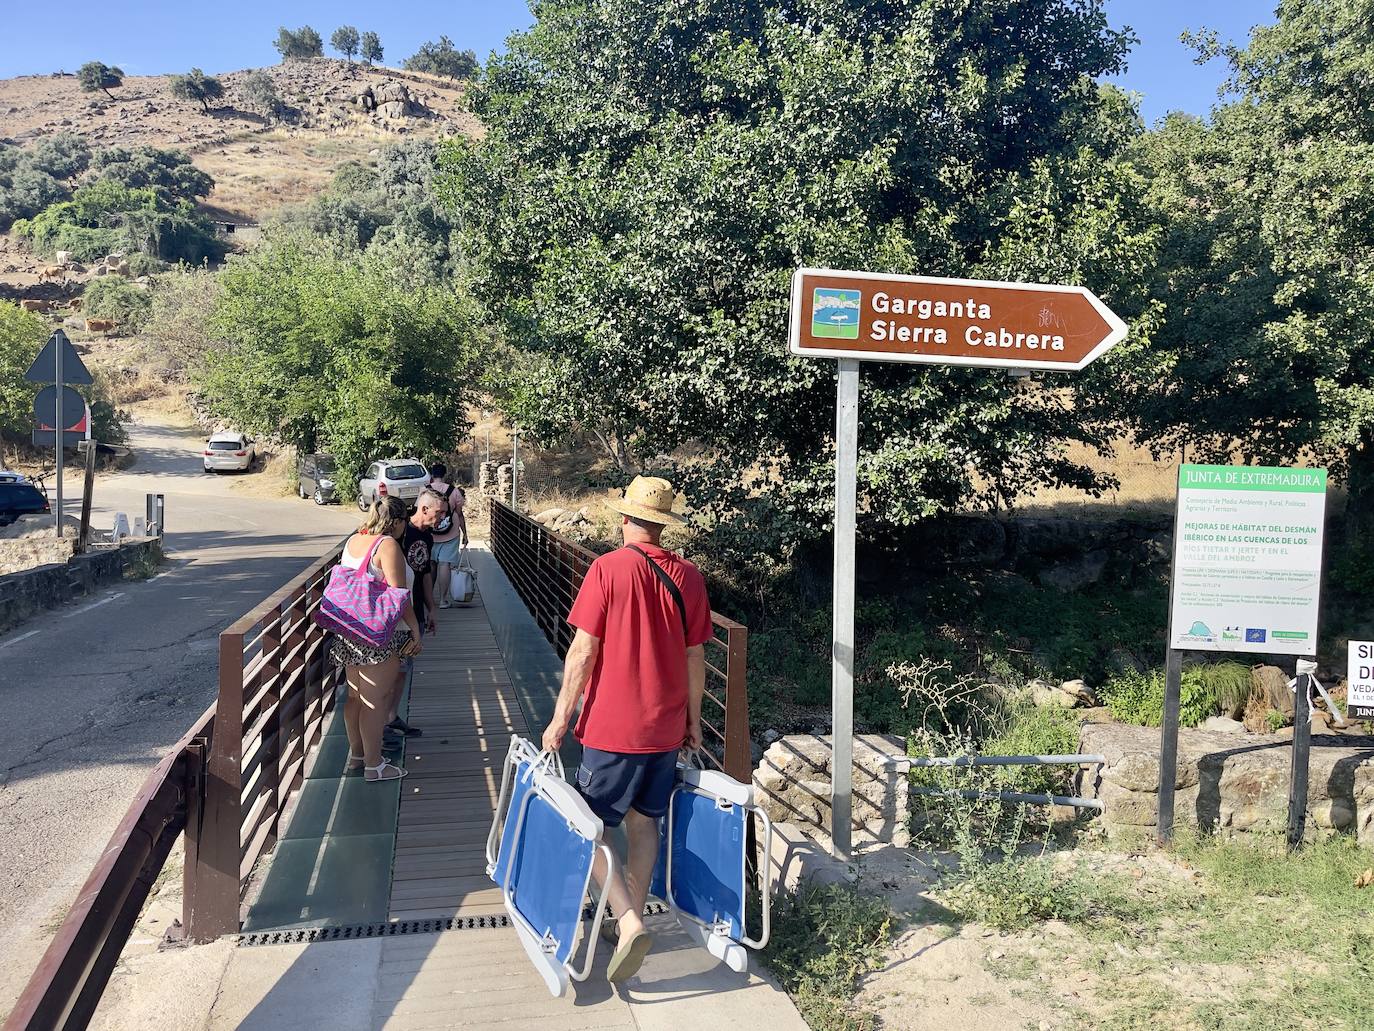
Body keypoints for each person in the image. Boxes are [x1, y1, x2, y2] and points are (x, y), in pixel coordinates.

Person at [541, 475, 713, 984]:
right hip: (664, 727)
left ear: (624, 519)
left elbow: (583, 650)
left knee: (589, 826)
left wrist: (559, 719)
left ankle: (629, 918)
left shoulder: (606, 570)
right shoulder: (689, 577)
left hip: (612, 730)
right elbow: (695, 654)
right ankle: (625, 919)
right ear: (662, 526)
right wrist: (692, 719)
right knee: (644, 823)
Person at [331, 496, 423, 782]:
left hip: (351, 631)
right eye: (403, 523)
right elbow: (399, 596)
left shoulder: (354, 541)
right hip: (380, 635)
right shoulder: (388, 546)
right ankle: (375, 765)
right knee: (375, 702)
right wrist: (415, 629)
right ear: (395, 522)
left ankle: (357, 756)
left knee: (355, 698)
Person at [387, 489, 447, 741]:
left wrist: (432, 607)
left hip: (417, 610)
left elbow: (424, 573)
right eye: (439, 512)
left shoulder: (428, 536)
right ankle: (381, 724)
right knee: (391, 671)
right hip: (398, 615)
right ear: (424, 509)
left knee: (403, 670)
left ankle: (391, 717)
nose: (443, 517)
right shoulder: (400, 534)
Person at [426, 463, 469, 608]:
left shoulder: (425, 491)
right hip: (450, 533)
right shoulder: (454, 491)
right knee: (444, 564)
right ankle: (443, 600)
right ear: (444, 475)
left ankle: (429, 598)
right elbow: (459, 514)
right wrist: (465, 534)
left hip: (430, 533)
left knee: (431, 564)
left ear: (432, 475)